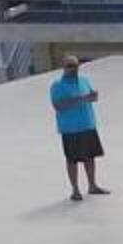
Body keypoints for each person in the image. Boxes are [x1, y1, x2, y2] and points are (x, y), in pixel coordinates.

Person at [50, 55, 107, 201]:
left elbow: (90, 98)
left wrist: (93, 97)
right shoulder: (57, 85)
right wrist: (81, 99)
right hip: (70, 128)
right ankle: (75, 190)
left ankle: (92, 185)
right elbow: (58, 106)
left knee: (90, 157)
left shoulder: (84, 80)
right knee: (72, 160)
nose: (73, 69)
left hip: (87, 124)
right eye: (70, 66)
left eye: (75, 66)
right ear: (63, 67)